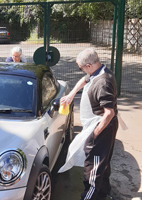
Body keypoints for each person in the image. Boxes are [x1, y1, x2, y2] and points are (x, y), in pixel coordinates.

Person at [58, 48, 118, 200]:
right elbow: (84, 80)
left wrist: (96, 133)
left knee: (93, 165)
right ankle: (103, 192)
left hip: (102, 126)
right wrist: (71, 95)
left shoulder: (103, 82)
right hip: (99, 124)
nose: (82, 71)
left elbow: (109, 113)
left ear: (89, 65)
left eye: (82, 67)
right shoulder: (97, 71)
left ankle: (89, 196)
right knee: (103, 161)